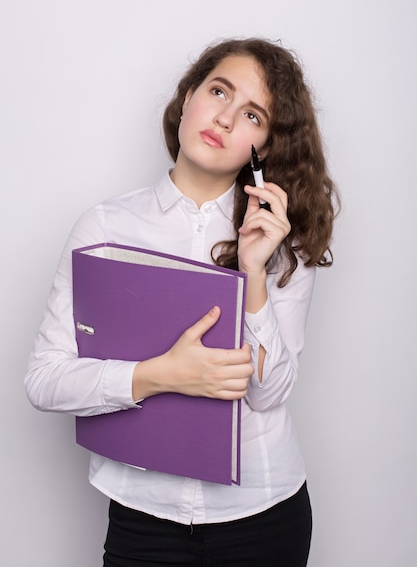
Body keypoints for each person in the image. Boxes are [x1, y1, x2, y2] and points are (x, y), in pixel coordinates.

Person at [25, 37, 338, 566]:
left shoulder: (282, 238)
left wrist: (254, 271)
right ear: (189, 95)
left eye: (252, 115)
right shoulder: (104, 227)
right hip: (143, 521)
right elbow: (44, 380)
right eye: (219, 91)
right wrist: (159, 374)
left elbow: (269, 394)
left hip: (263, 516)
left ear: (267, 147)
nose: (224, 118)